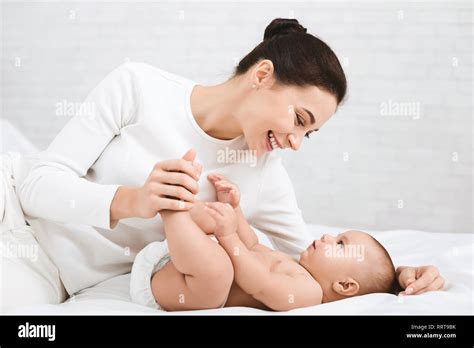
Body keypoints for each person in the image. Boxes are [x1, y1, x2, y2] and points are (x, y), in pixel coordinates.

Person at [18, 18, 443, 301]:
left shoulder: (263, 176)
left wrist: (396, 277)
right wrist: (134, 200)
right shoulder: (140, 88)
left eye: (308, 134)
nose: (295, 142)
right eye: (298, 119)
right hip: (27, 241)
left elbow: (315, 262)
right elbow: (37, 186)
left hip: (83, 286)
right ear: (261, 76)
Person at [131, 172, 397, 311]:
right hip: (180, 263)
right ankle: (177, 196)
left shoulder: (309, 295)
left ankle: (171, 209)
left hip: (176, 286)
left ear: (345, 285)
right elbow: (252, 247)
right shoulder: (298, 268)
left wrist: (228, 235)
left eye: (340, 244)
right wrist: (234, 210)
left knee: (219, 271)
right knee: (220, 220)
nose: (328, 237)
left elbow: (259, 283)